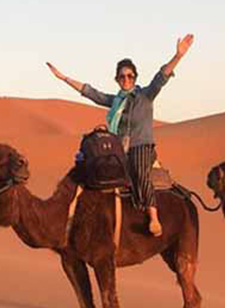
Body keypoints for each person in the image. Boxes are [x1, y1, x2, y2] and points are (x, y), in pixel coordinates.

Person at [47, 34, 194, 237]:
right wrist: (64, 78)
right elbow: (91, 93)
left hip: (141, 147)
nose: (126, 79)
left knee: (139, 173)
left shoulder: (145, 96)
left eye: (130, 76)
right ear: (117, 79)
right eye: (122, 76)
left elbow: (161, 77)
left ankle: (154, 218)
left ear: (135, 77)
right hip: (119, 149)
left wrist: (178, 56)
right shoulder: (115, 101)